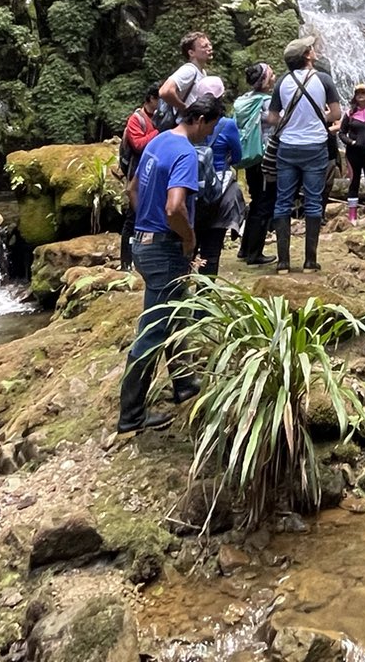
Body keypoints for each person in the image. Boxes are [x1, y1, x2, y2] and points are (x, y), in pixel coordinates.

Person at [115, 93, 225, 434]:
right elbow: (175, 207)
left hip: (144, 244)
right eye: (211, 128)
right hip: (165, 250)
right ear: (202, 120)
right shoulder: (185, 154)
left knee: (176, 315)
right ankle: (130, 415)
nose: (210, 135)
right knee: (153, 331)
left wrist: (145, 223)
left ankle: (184, 383)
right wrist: (189, 239)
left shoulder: (160, 140)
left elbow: (132, 190)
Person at [264, 35, 340, 272]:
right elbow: (336, 114)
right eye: (311, 48)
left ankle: (283, 263)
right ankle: (310, 261)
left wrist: (293, 119)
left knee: (283, 201)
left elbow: (272, 118)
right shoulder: (324, 80)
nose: (314, 50)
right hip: (315, 147)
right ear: (307, 55)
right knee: (313, 201)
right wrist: (317, 118)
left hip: (287, 147)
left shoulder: (282, 82)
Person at [193, 74, 243, 275]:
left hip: (193, 186)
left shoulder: (189, 122)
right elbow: (238, 156)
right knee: (211, 252)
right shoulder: (228, 124)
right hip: (219, 189)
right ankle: (205, 301)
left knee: (189, 247)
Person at [116, 83, 168, 269]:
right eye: (160, 99)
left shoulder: (163, 117)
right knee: (132, 217)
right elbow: (138, 144)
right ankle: (125, 262)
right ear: (152, 99)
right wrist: (158, 132)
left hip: (156, 174)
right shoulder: (136, 119)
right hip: (137, 174)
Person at [233, 63, 277, 265]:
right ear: (265, 80)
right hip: (265, 157)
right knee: (265, 203)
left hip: (250, 155)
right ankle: (254, 254)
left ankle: (245, 249)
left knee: (256, 200)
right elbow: (279, 122)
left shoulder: (243, 101)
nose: (274, 76)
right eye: (271, 74)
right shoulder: (266, 102)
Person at [341, 83, 365, 225]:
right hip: (353, 153)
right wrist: (351, 142)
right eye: (358, 93)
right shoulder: (349, 113)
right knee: (354, 182)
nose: (361, 95)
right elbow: (341, 133)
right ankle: (352, 216)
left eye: (363, 93)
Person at [160, 31, 213, 123]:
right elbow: (165, 91)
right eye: (205, 46)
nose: (210, 48)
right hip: (183, 124)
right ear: (191, 53)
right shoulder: (189, 70)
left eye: (210, 45)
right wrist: (185, 108)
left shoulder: (202, 72)